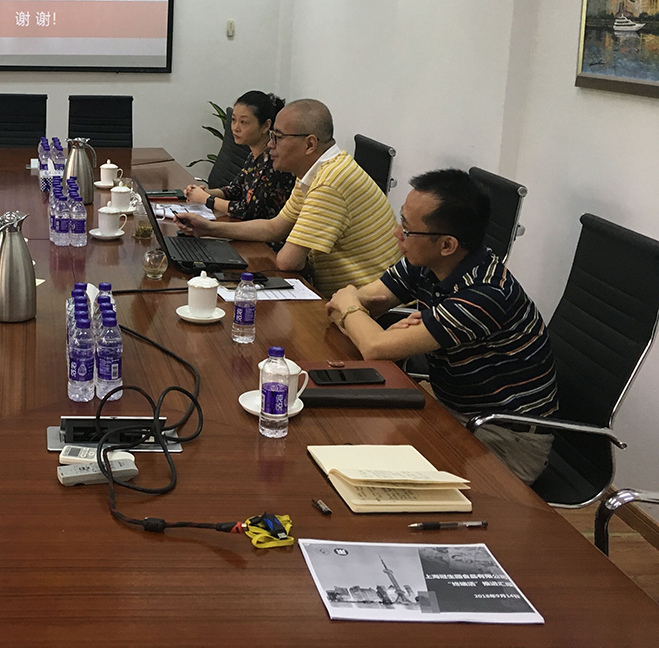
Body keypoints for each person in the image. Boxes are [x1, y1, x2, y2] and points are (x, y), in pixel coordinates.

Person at [323, 169, 558, 484]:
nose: (396, 234)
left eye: (407, 228)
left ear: (447, 245)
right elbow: (344, 309)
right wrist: (361, 317)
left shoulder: (486, 294)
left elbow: (371, 343)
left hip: (505, 438)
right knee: (344, 441)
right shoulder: (426, 263)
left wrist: (357, 312)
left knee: (370, 470)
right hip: (454, 411)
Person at [175, 99, 400, 296]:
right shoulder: (315, 173)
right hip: (344, 298)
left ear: (310, 144)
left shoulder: (330, 182)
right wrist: (207, 228)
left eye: (278, 137)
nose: (270, 144)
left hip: (370, 307)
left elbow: (288, 261)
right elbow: (274, 228)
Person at [183, 90, 295, 221]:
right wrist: (202, 192)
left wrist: (206, 199)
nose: (235, 128)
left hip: (262, 232)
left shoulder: (274, 161)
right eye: (233, 120)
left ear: (266, 126)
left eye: (243, 122)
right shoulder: (254, 154)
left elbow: (247, 211)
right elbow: (235, 189)